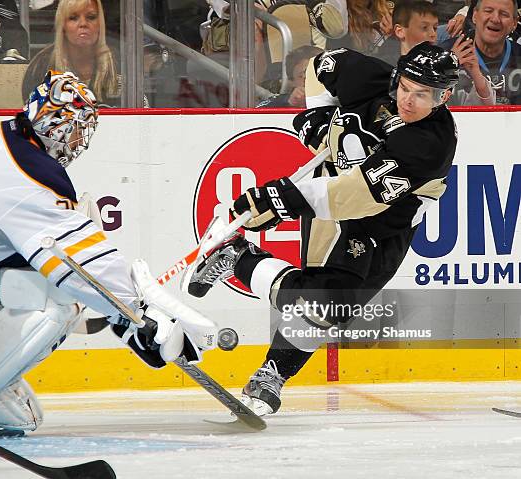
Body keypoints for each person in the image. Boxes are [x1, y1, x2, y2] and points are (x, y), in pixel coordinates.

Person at [0, 70, 216, 439]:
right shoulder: (29, 174)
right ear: (54, 123)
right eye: (76, 127)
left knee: (37, 281)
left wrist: (125, 316)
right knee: (53, 294)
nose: (78, 140)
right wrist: (137, 316)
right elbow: (79, 260)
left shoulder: (0, 131)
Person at [186, 42, 459, 415]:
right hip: (333, 195)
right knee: (327, 302)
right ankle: (272, 375)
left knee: (331, 304)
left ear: (443, 97)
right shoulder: (369, 77)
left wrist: (282, 201)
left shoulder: (432, 143)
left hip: (382, 222)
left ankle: (239, 260)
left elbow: (356, 197)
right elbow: (319, 67)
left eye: (422, 95)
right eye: (405, 87)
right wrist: (318, 117)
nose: (408, 101)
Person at [379, 0, 494, 104]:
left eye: (434, 28)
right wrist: (443, 67)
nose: (433, 34)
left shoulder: (452, 74)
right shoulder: (383, 68)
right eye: (424, 28)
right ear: (400, 31)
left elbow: (483, 112)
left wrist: (476, 75)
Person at [22, 0, 127, 107]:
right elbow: (34, 115)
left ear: (100, 23)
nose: (83, 24)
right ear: (62, 25)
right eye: (73, 18)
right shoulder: (41, 65)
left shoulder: (120, 63)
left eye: (91, 17)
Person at [443, 0, 521, 104]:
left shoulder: (519, 55)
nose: (495, 19)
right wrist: (446, 69)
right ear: (475, 15)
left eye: (504, 14)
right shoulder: (445, 54)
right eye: (488, 11)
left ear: (514, 23)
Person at [306, 0, 394, 56]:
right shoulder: (324, 4)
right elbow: (336, 29)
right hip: (333, 76)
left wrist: (392, 35)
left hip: (376, 75)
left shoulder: (388, 7)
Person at [257, 46, 323, 108]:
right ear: (291, 81)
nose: (315, 79)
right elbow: (255, 114)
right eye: (303, 75)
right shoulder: (280, 101)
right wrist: (291, 104)